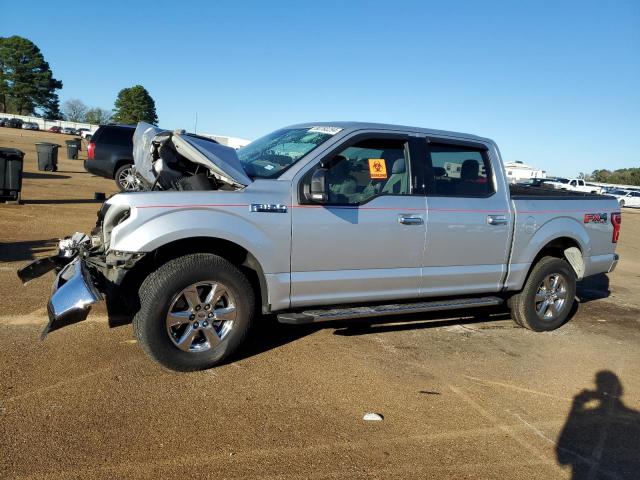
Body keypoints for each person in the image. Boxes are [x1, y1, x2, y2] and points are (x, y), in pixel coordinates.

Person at [556, 371, 640, 479]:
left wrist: (575, 409)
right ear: (620, 390)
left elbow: (563, 456)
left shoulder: (587, 419)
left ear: (597, 392)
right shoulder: (635, 419)